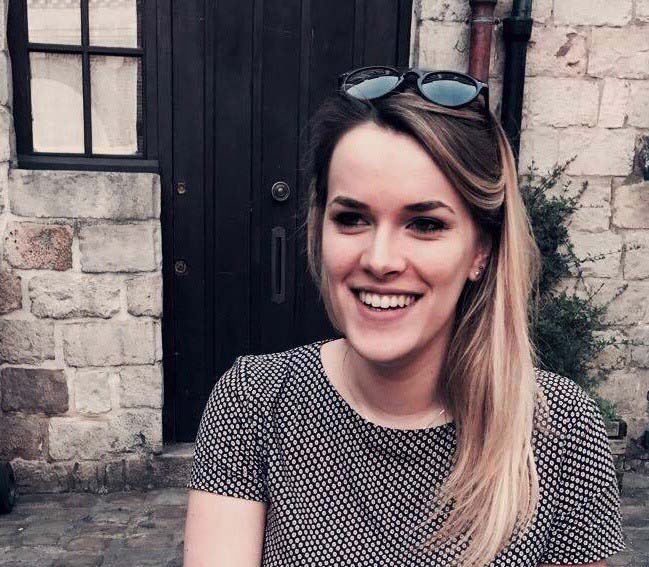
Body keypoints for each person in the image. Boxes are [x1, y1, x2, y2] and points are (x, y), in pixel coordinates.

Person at [183, 67, 625, 566]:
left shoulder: (558, 430)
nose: (380, 259)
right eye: (352, 218)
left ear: (481, 250)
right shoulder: (254, 404)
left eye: (425, 224)